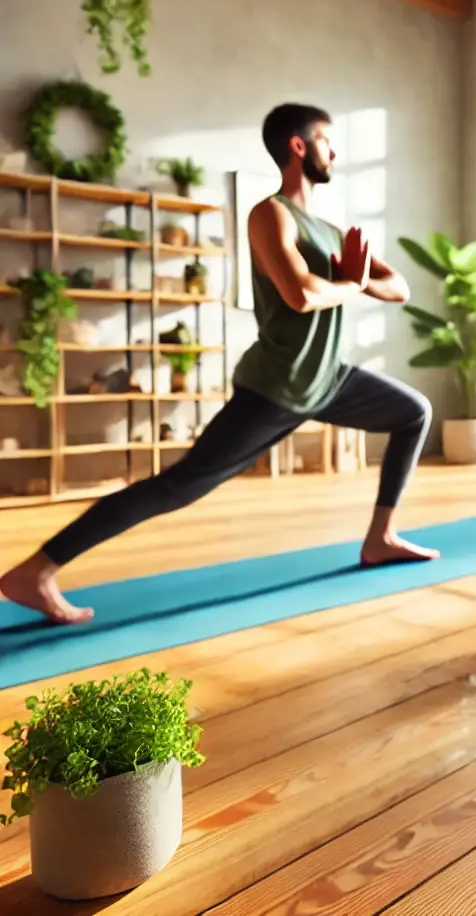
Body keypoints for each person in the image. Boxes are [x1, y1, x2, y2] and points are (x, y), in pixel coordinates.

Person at [0, 103, 439, 625]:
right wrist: (350, 282)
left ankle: (380, 536)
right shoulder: (270, 214)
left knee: (413, 411)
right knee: (177, 486)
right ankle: (36, 571)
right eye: (326, 139)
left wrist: (358, 278)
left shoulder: (329, 227)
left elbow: (399, 287)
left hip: (328, 378)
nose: (334, 151)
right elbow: (299, 296)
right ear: (298, 146)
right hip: (277, 385)